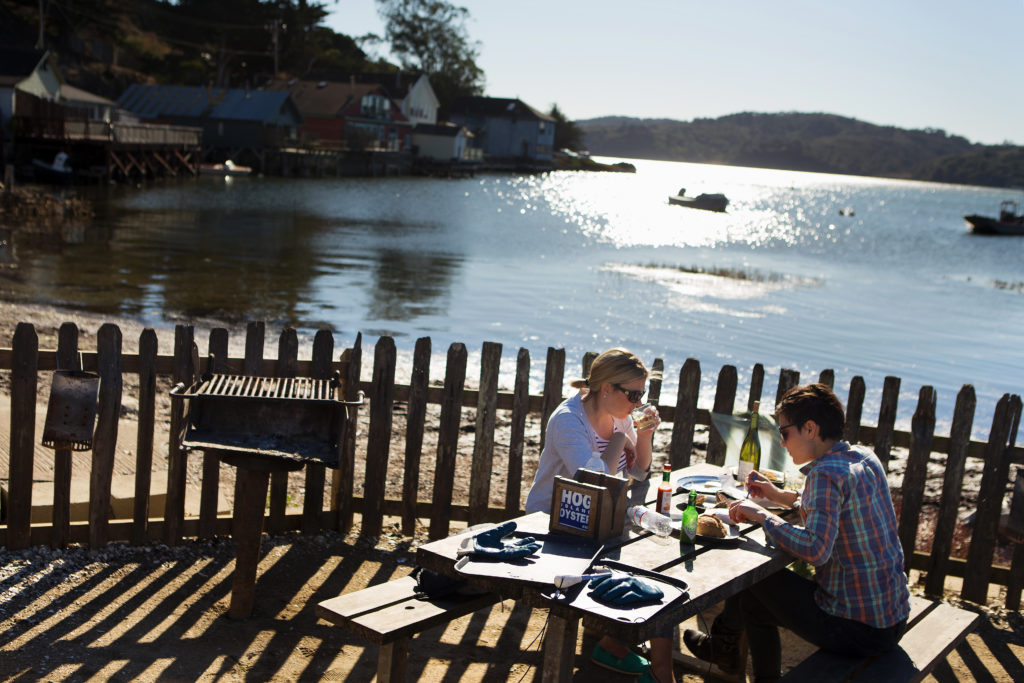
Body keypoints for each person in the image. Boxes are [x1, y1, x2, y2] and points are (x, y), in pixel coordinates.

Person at [683, 383, 910, 682]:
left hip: (856, 629)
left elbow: (816, 550)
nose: (782, 441)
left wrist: (762, 515)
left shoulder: (824, 474)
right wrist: (776, 495)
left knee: (753, 578)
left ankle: (724, 648)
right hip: (892, 616)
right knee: (754, 601)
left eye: (784, 432)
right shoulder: (863, 459)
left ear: (810, 429)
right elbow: (826, 507)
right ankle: (726, 649)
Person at [524, 347, 661, 679]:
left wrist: (643, 435)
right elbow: (595, 482)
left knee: (653, 554)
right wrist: (618, 438)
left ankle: (615, 642)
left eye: (642, 394)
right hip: (552, 519)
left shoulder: (624, 415)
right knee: (630, 559)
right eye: (632, 394)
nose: (637, 401)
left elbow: (640, 472)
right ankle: (613, 646)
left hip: (593, 517)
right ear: (606, 389)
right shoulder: (568, 421)